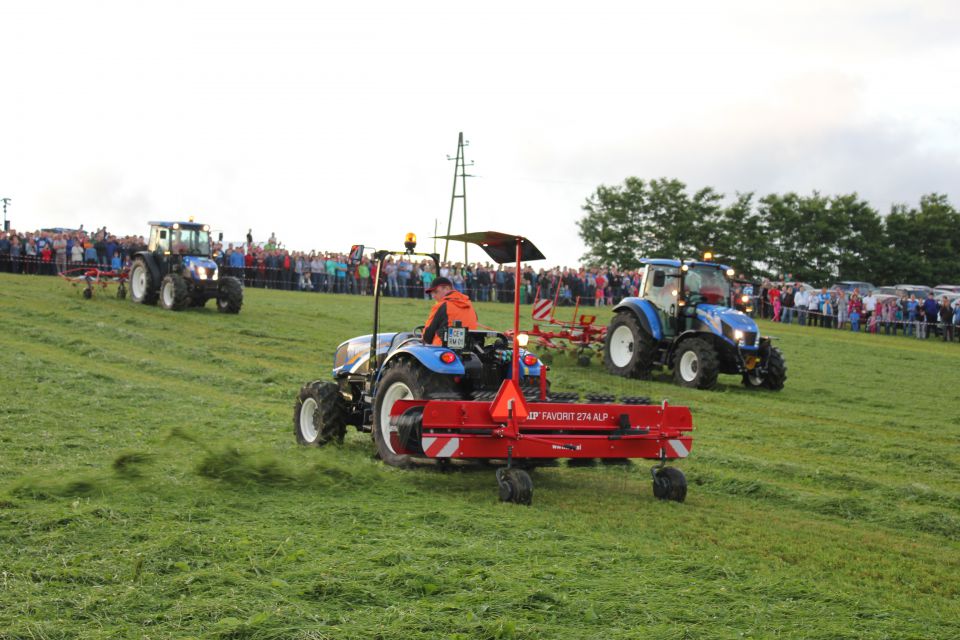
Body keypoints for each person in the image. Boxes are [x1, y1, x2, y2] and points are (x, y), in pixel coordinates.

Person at [422, 277, 478, 346]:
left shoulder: (441, 306)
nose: (433, 296)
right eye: (432, 293)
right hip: (468, 349)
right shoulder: (469, 305)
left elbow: (427, 337)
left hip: (441, 350)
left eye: (436, 292)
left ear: (447, 289)